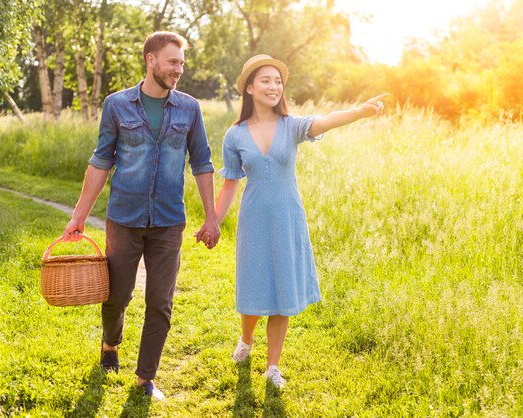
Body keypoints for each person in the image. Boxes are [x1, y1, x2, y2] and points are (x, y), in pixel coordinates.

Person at [211, 54, 386, 388]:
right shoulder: (234, 136)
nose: (274, 86)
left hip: (288, 216)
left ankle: (272, 366)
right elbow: (230, 184)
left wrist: (360, 112)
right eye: (266, 80)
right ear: (249, 87)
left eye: (278, 81)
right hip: (254, 218)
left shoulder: (292, 126)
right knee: (254, 286)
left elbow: (328, 120)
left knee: (282, 288)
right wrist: (215, 222)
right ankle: (246, 337)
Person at [62, 31, 220, 400]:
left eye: (181, 62)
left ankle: (145, 377)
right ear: (151, 60)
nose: (178, 69)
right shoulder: (117, 105)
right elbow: (101, 161)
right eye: (172, 61)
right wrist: (79, 215)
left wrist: (212, 216)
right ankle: (110, 345)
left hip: (169, 221)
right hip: (124, 218)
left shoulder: (189, 108)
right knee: (117, 295)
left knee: (161, 302)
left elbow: (202, 162)